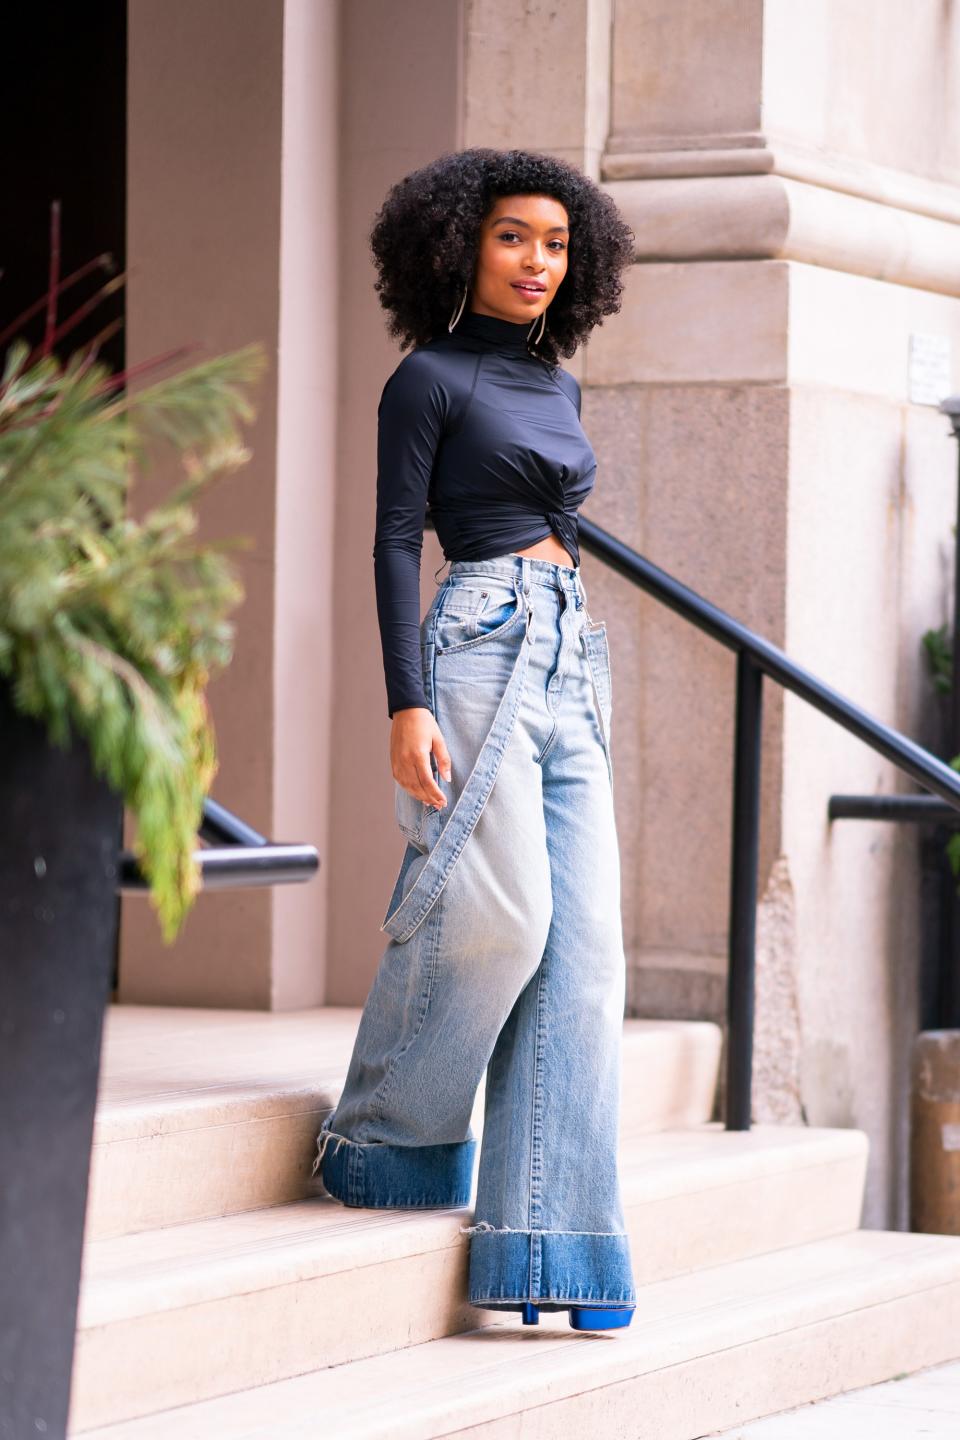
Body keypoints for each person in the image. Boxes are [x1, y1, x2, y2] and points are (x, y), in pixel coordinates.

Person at [312, 146, 637, 1331]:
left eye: (556, 243)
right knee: (499, 919)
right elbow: (399, 539)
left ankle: (554, 1240)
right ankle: (383, 1139)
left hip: (569, 654)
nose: (537, 261)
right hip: (476, 645)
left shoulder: (559, 384)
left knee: (589, 955)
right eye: (514, 237)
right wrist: (405, 701)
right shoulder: (429, 379)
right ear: (458, 244)